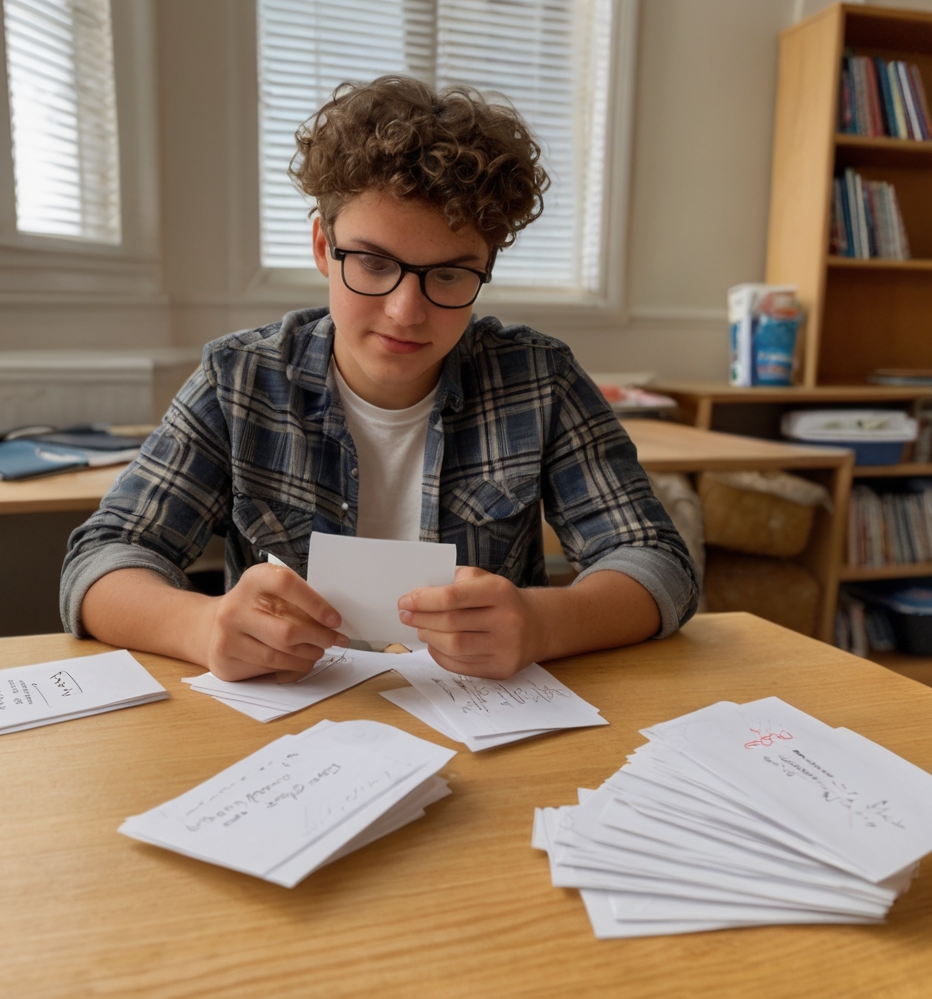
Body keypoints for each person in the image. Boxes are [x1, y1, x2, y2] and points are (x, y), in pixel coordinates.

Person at [61, 76, 698, 682]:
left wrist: (544, 623)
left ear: (485, 270)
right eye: (372, 263)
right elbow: (102, 559)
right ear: (322, 247)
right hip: (284, 730)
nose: (405, 312)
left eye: (449, 275)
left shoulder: (537, 378)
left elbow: (657, 562)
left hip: (484, 727)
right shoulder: (240, 379)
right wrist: (202, 627)